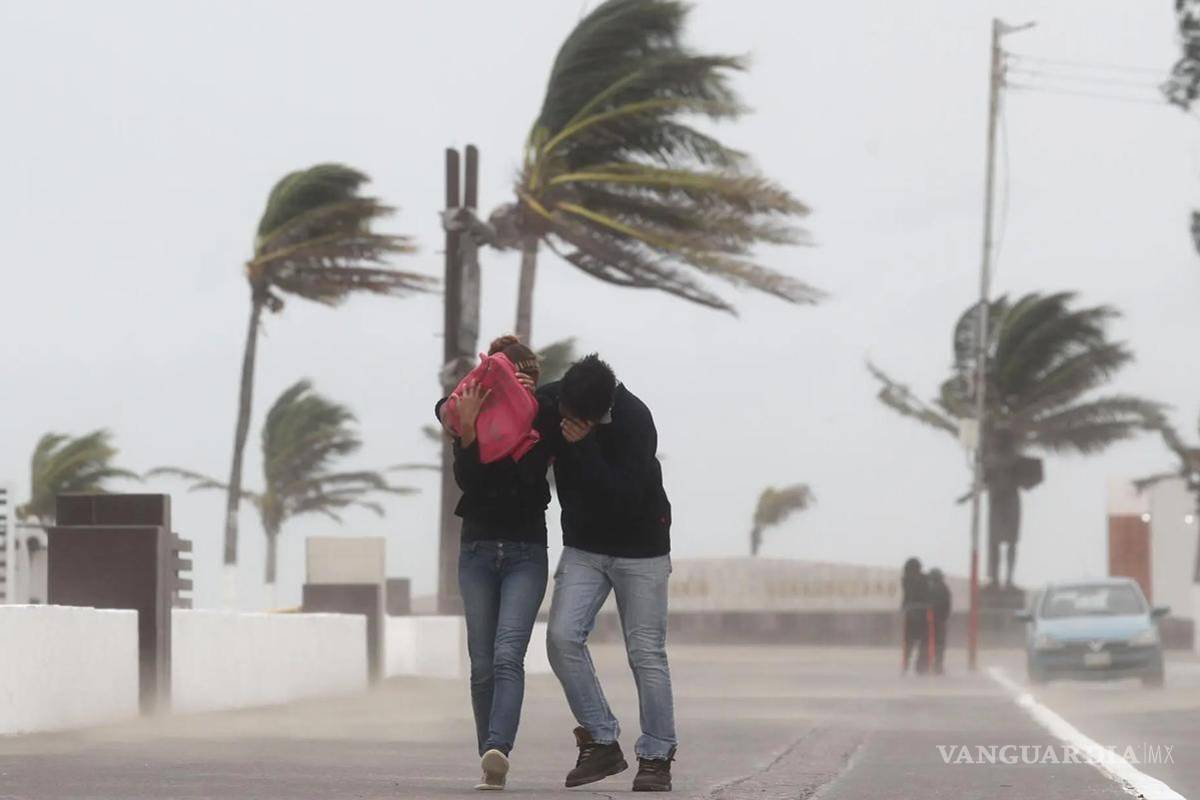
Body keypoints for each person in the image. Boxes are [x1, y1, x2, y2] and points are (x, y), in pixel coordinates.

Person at [538, 354, 677, 793]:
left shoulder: (636, 419)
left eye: (575, 418)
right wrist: (450, 409)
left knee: (646, 653)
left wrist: (584, 446)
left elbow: (624, 496)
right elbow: (509, 409)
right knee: (561, 638)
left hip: (642, 549)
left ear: (597, 414)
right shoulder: (559, 398)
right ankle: (601, 740)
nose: (563, 418)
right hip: (584, 547)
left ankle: (656, 757)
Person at [436, 335, 553, 791]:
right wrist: (468, 430)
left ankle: (499, 748)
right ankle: (490, 759)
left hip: (526, 552)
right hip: (477, 552)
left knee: (508, 656)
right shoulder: (472, 418)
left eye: (527, 379)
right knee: (481, 663)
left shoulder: (541, 423)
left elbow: (525, 483)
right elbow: (472, 483)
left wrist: (525, 414)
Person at [900, 557, 930, 675]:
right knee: (921, 642)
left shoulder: (907, 580)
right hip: (919, 614)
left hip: (914, 614)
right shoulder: (922, 579)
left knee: (911, 642)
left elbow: (907, 597)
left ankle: (909, 665)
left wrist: (906, 606)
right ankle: (919, 666)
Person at [928, 568, 952, 675]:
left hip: (932, 620)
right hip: (941, 620)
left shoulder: (931, 588)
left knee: (931, 643)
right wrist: (944, 617)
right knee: (940, 644)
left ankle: (930, 665)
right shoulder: (944, 588)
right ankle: (938, 665)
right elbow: (948, 606)